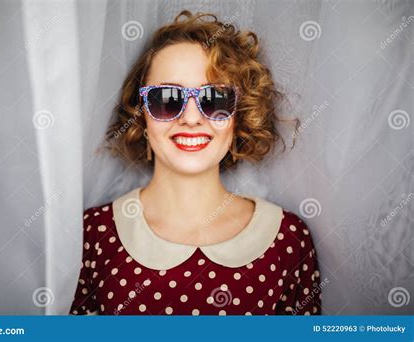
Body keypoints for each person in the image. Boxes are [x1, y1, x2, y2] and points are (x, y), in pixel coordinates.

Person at [70, 10, 321, 316]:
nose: (191, 118)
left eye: (215, 98)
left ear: (238, 116)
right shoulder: (91, 235)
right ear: (142, 116)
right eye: (166, 98)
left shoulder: (289, 240)